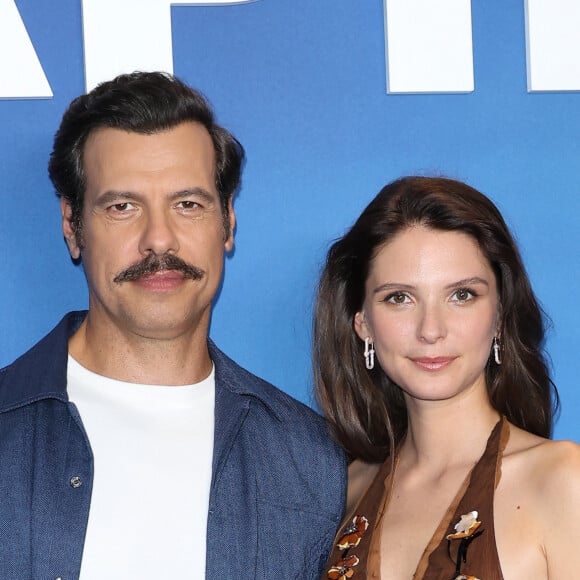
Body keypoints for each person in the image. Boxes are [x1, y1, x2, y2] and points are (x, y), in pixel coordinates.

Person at [0, 72, 345, 579]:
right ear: (72, 227)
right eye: (122, 206)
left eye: (188, 204)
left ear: (227, 222)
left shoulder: (312, 461)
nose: (158, 240)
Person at [314, 176, 580, 579]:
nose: (431, 329)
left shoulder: (561, 482)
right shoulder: (345, 492)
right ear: (362, 323)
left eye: (462, 295)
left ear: (500, 316)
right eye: (399, 298)